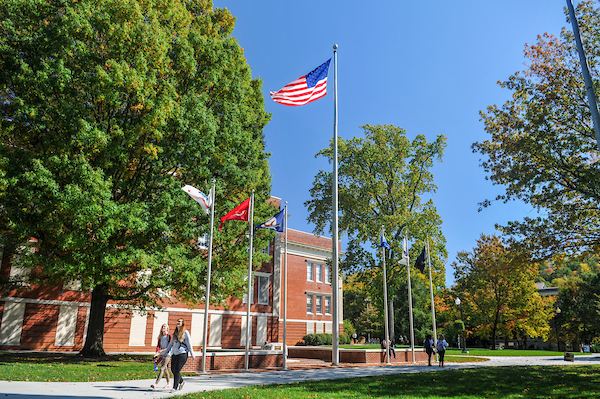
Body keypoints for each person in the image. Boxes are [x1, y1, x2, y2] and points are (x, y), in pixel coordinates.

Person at [156, 318, 195, 392]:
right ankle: (181, 382)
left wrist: (192, 354)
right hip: (175, 354)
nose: (178, 322)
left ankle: (175, 387)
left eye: (180, 321)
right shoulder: (175, 333)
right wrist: (165, 353)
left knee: (177, 370)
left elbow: (189, 344)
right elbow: (170, 344)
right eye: (177, 321)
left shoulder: (185, 332)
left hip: (182, 353)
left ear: (183, 324)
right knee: (173, 370)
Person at [151, 324, 172, 389]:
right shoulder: (160, 336)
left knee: (162, 368)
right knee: (165, 369)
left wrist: (163, 350)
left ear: (167, 328)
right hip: (162, 354)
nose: (163, 327)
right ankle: (168, 383)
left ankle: (156, 384)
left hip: (168, 354)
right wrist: (157, 353)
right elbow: (158, 346)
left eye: (165, 326)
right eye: (162, 326)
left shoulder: (169, 336)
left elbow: (171, 345)